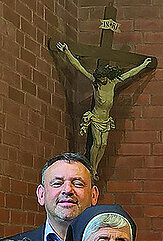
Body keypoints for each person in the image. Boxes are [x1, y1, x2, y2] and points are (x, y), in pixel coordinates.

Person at [0, 153, 145, 241]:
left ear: (93, 195)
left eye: (77, 183)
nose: (67, 190)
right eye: (57, 183)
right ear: (41, 195)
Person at [55, 43, 153, 179]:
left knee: (104, 144)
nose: (101, 80)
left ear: (106, 76)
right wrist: (67, 52)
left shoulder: (112, 83)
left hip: (106, 119)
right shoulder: (95, 84)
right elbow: (79, 67)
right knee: (97, 143)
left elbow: (129, 74)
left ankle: (95, 166)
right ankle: (93, 168)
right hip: (96, 118)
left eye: (102, 78)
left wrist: (143, 66)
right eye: (99, 78)